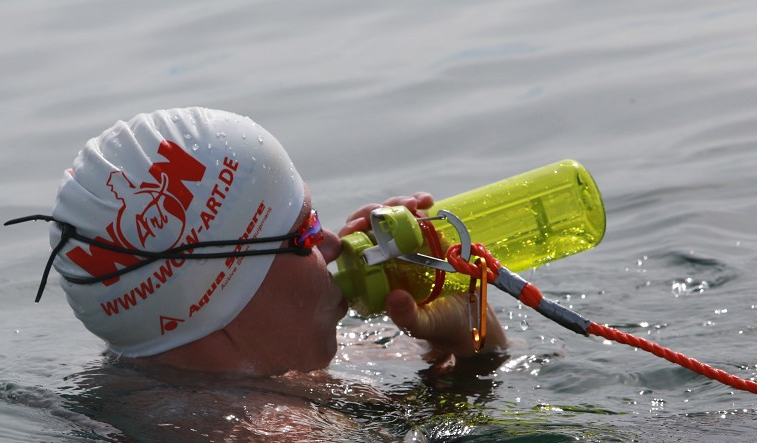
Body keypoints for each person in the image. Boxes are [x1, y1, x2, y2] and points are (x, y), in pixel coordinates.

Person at [29, 107, 506, 377]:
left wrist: (471, 335)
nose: (334, 244)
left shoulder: (165, 376)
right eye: (305, 233)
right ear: (218, 300)